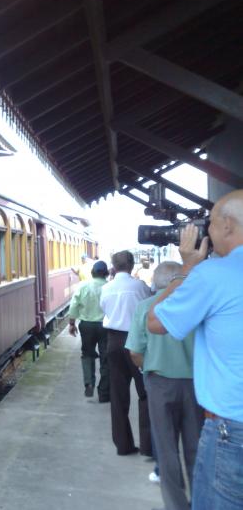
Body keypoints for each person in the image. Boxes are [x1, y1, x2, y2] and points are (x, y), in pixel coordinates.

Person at [148, 189, 243, 510]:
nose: (207, 232)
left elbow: (155, 321)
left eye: (210, 223)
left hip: (232, 429)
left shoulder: (212, 274)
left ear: (228, 225)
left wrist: (187, 267)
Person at [126, 261, 202, 510]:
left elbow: (135, 351)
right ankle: (200, 501)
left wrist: (147, 365)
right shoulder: (195, 306)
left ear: (157, 281)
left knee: (166, 448)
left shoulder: (146, 307)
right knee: (195, 446)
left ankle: (176, 505)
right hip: (195, 385)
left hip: (159, 382)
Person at [100, 250, 152, 456]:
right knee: (145, 392)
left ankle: (123, 444)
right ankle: (148, 446)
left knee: (118, 394)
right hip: (137, 341)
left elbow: (104, 309)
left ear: (113, 266)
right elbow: (149, 307)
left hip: (113, 341)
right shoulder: (140, 287)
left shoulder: (106, 288)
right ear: (131, 265)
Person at [67, 260, 110, 402]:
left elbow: (74, 306)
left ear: (92, 272)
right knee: (106, 358)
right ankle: (104, 393)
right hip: (105, 326)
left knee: (87, 354)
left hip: (87, 326)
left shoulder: (83, 286)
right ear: (106, 273)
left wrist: (72, 323)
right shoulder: (110, 287)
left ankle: (89, 383)